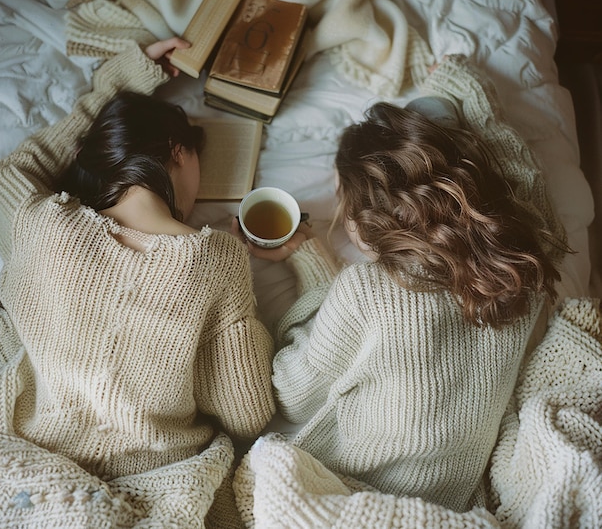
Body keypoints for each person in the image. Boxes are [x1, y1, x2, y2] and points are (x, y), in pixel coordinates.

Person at [244, 54, 569, 514]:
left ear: (365, 221)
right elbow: (516, 160)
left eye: (343, 199)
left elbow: (293, 395)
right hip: (452, 500)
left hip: (351, 489)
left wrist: (309, 260)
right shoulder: (528, 248)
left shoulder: (364, 291)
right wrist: (458, 80)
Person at [0, 37, 275, 490]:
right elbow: (247, 413)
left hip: (21, 453)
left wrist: (114, 85)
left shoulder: (42, 222)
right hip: (152, 479)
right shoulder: (218, 261)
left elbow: (12, 170)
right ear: (178, 150)